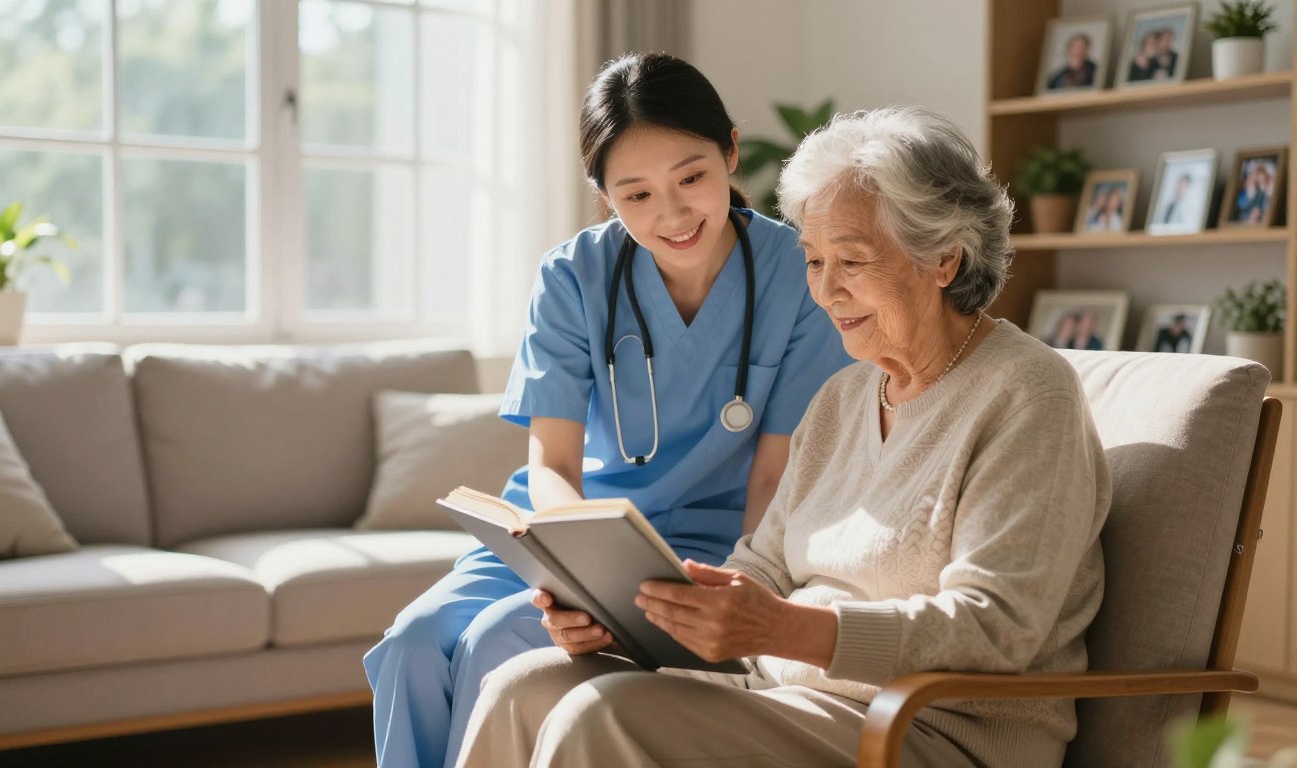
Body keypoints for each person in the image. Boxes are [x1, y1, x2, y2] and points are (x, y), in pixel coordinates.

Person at [457, 106, 1112, 768]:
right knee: (525, 685)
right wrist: (639, 618)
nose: (826, 291)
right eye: (814, 260)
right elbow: (763, 566)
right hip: (788, 696)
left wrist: (785, 628)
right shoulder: (844, 397)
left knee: (600, 715)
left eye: (851, 261)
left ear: (944, 258)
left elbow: (995, 628)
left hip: (928, 730)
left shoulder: (1028, 397)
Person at [362, 52, 851, 768]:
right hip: (566, 525)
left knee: (495, 641)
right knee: (411, 642)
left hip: (712, 547)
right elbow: (552, 463)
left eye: (692, 177)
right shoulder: (572, 276)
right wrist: (572, 573)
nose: (674, 213)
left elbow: (774, 478)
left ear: (732, 152)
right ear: (605, 197)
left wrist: (743, 598)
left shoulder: (796, 273)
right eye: (637, 195)